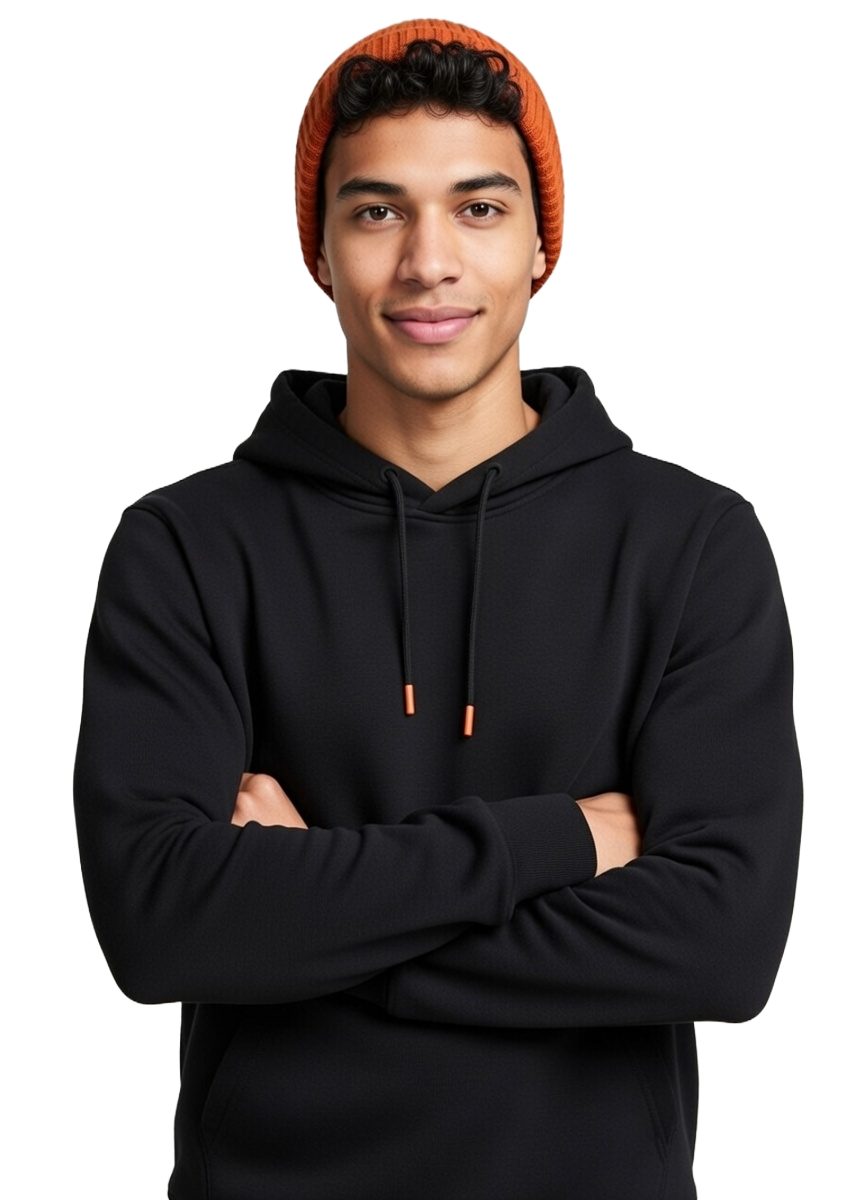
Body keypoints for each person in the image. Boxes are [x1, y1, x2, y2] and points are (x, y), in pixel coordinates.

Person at [74, 17, 802, 1199]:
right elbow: (160, 927)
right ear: (319, 250)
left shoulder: (691, 542)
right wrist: (562, 842)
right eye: (377, 212)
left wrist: (303, 914)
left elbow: (722, 950)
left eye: (478, 208)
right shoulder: (188, 543)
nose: (428, 262)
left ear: (540, 244)